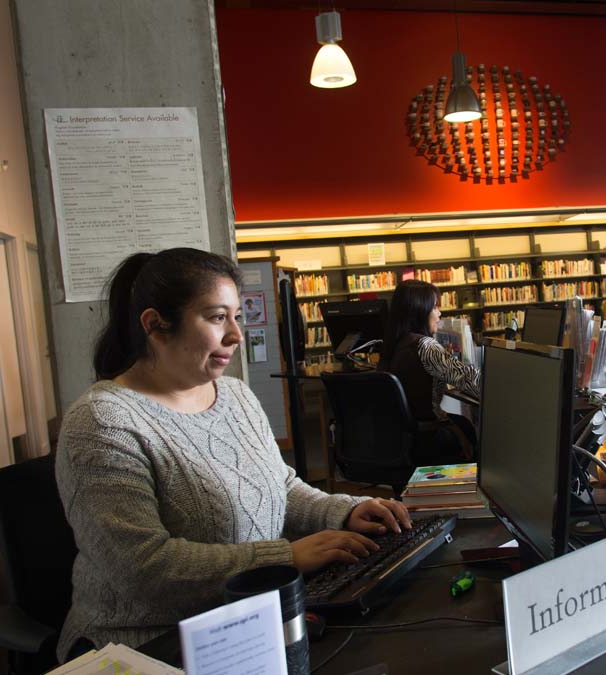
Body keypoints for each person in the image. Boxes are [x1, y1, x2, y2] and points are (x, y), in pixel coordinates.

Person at [55, 248, 410, 662]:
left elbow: (279, 486)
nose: (237, 335)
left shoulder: (235, 395)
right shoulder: (103, 421)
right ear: (155, 325)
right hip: (145, 643)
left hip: (249, 618)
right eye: (216, 317)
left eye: (237, 316)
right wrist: (286, 556)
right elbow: (142, 568)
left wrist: (344, 512)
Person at [379, 279, 480, 464]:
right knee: (471, 429)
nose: (439, 313)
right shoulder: (425, 346)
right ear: (419, 311)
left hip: (406, 440)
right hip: (430, 441)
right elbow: (472, 382)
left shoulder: (395, 344)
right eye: (434, 307)